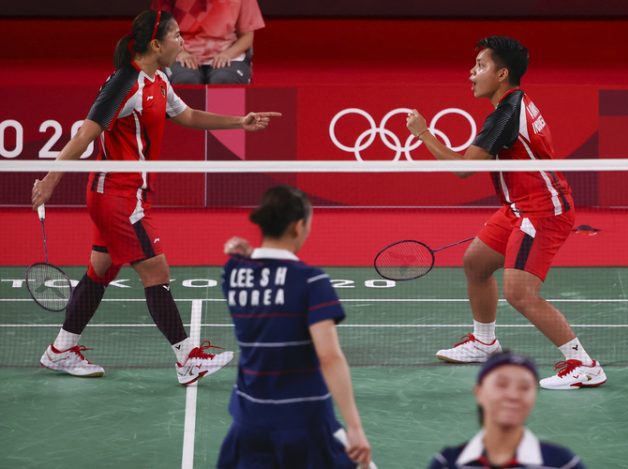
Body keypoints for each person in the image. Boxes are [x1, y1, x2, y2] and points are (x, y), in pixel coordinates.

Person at [31, 9, 281, 385]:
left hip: (128, 193)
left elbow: (189, 116)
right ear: (156, 43)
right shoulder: (124, 83)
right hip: (116, 195)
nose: (182, 42)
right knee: (156, 272)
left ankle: (60, 350)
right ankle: (187, 358)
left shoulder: (159, 80)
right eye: (177, 36)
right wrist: (50, 179)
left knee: (100, 271)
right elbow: (85, 134)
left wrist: (239, 121)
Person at [405, 36, 606, 390]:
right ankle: (485, 342)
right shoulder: (513, 105)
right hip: (518, 208)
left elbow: (464, 169)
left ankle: (585, 364)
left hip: (543, 211)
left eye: (480, 66)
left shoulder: (505, 114)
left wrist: (423, 133)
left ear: (502, 74)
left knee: (520, 293)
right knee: (476, 263)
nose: (471, 73)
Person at [217, 185, 373, 469]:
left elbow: (255, 275)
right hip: (305, 421)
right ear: (298, 226)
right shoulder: (312, 282)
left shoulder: (232, 273)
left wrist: (244, 253)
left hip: (250, 420)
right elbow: (329, 356)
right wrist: (354, 426)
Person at [427, 351, 586, 468]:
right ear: (479, 392)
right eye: (501, 385)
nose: (513, 395)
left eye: (524, 387)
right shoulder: (447, 463)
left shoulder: (563, 463)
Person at [152, 0, 264, 84]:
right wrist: (180, 52)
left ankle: (230, 116)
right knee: (186, 80)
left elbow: (247, 37)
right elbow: (160, 32)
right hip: (181, 52)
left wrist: (227, 54)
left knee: (224, 80)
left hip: (228, 54)